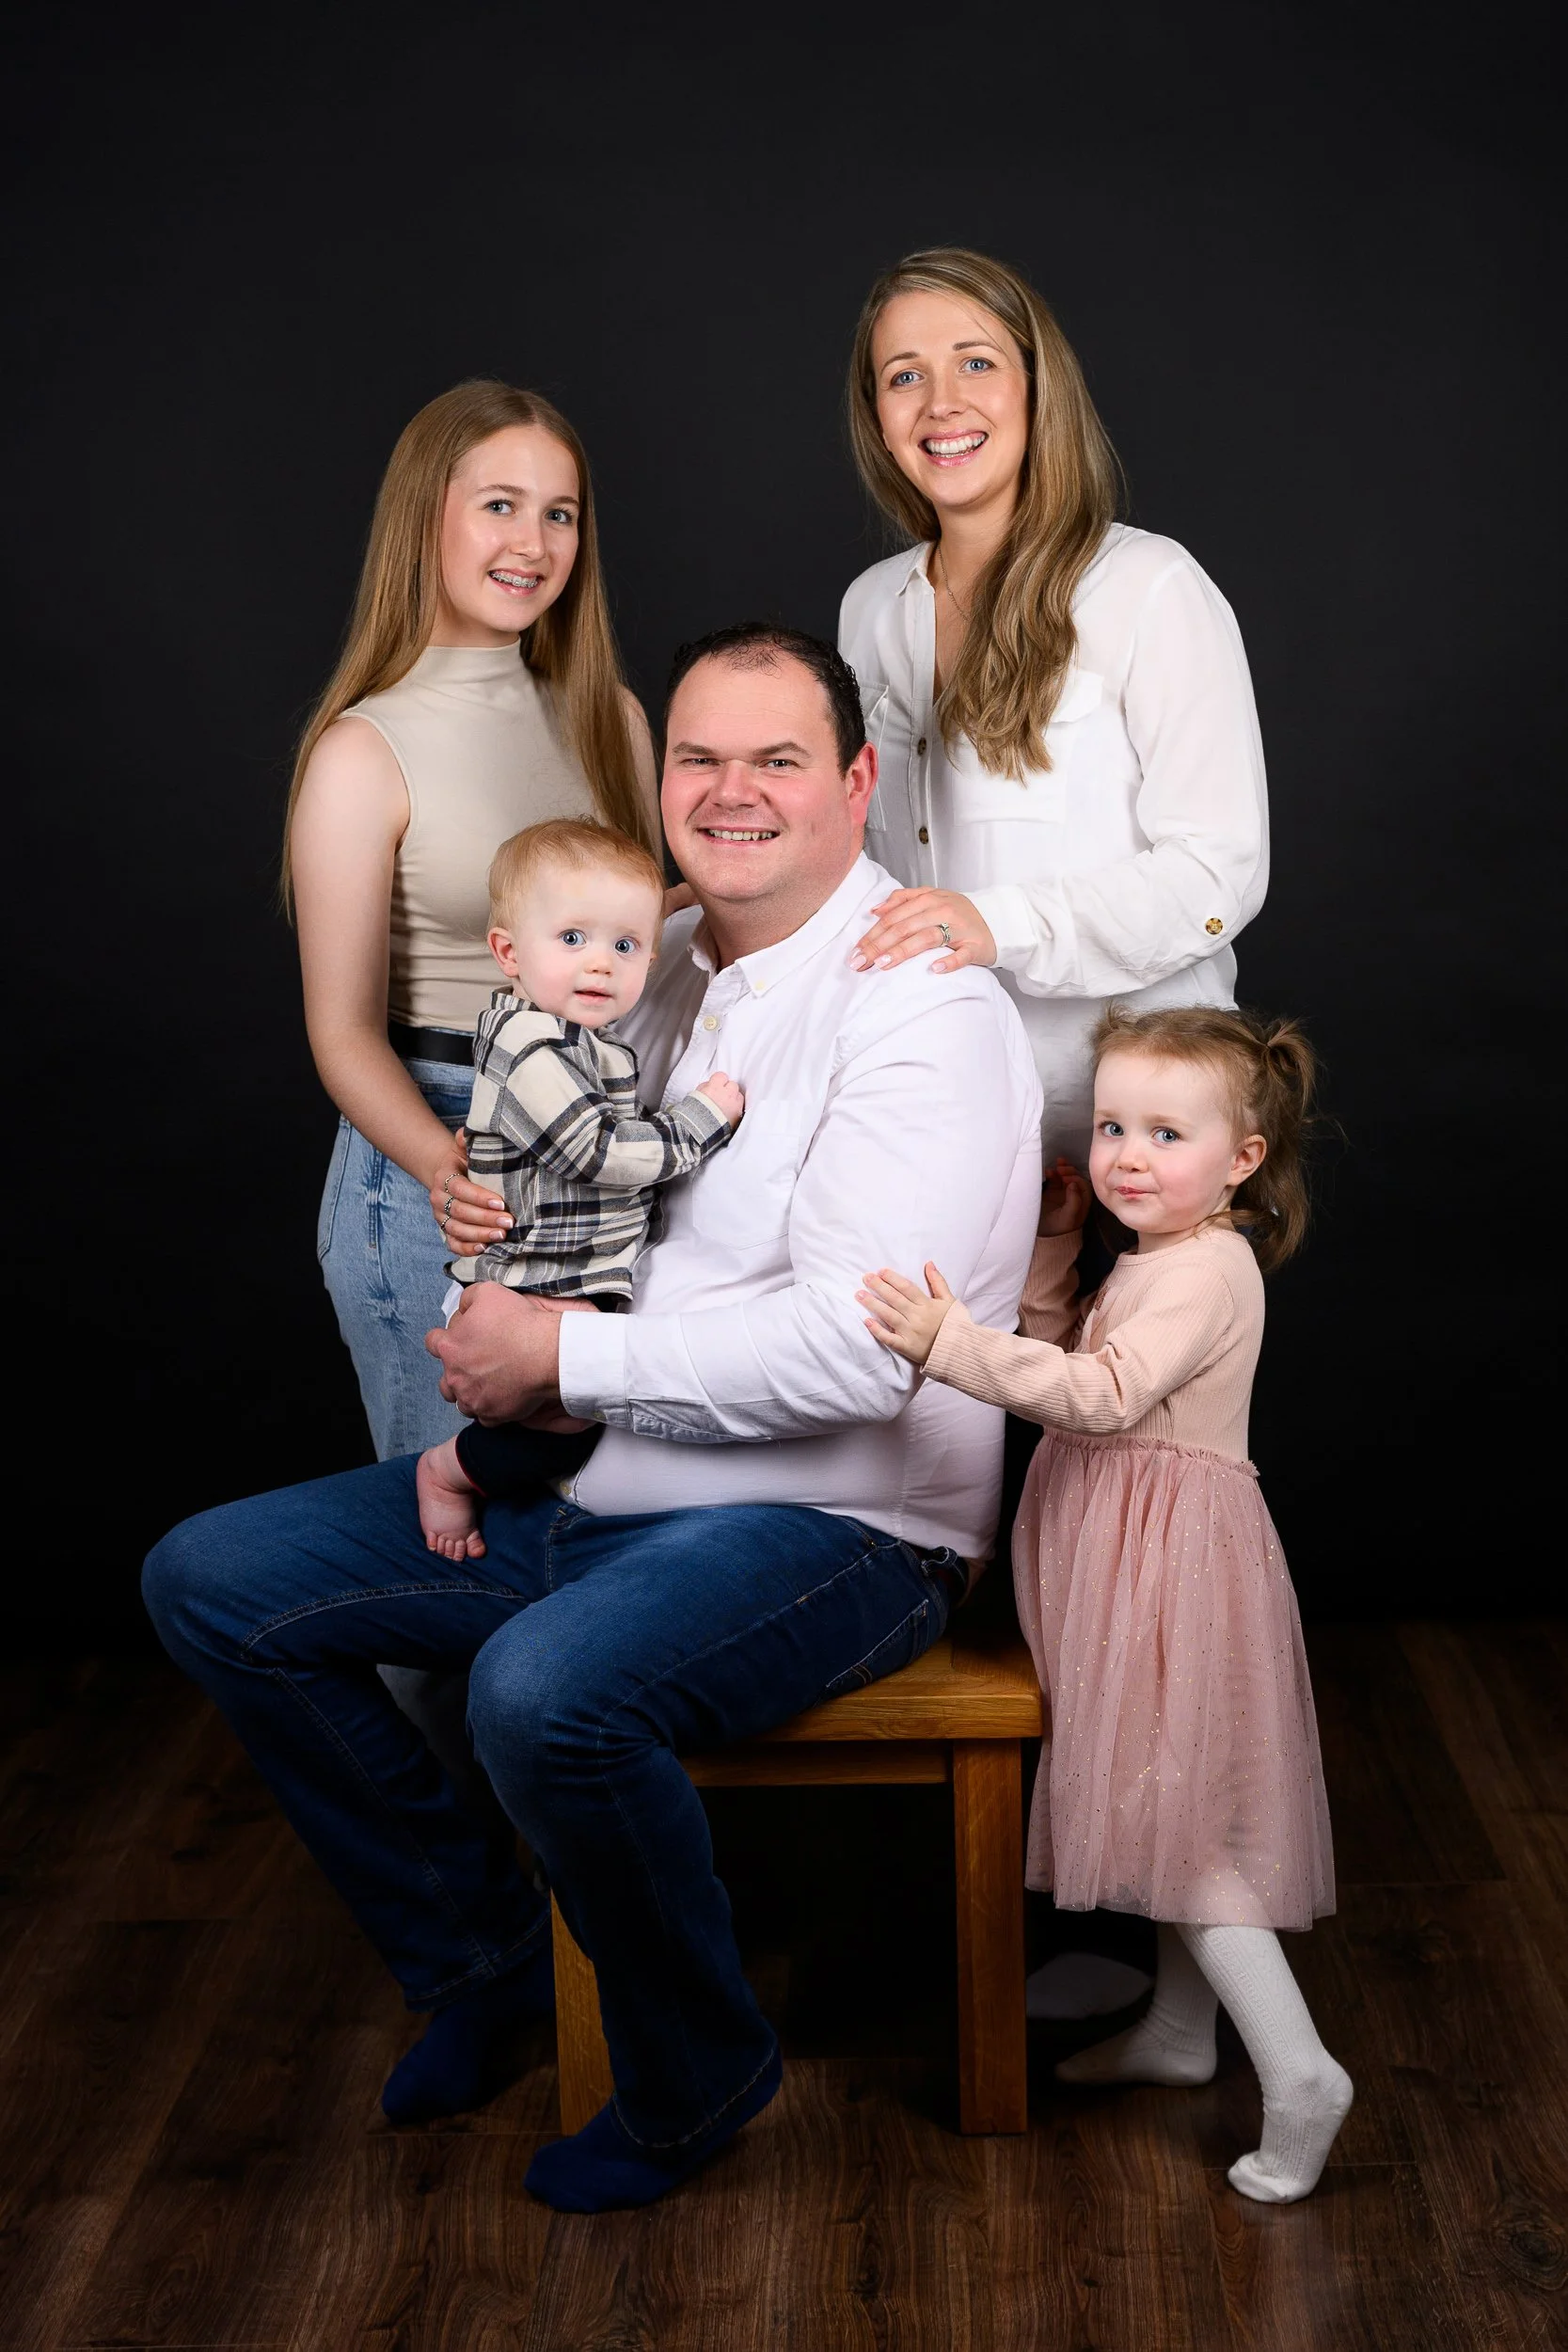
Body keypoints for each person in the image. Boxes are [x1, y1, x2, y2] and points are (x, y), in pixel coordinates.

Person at [143, 624, 1044, 2215]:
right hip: (601, 1477)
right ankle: (482, 1961)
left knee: (540, 1690)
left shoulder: (916, 1003)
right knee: (214, 1580)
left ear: (856, 784)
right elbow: (589, 1198)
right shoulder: (656, 955)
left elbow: (859, 1354)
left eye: (778, 759)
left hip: (844, 1524)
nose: (731, 790)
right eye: (697, 757)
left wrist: (558, 1358)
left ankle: (697, 2069)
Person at [838, 244, 1271, 2017]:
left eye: (973, 365)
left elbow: (1216, 870)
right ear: (870, 418)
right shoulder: (875, 609)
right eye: (897, 377)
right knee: (955, 1509)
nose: (940, 405)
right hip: (963, 1124)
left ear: (1039, 388)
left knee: (1142, 1556)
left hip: (1133, 1134)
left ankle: (1173, 1956)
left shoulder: (1148, 589)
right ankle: (972, 1921)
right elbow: (879, 869)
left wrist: (994, 932)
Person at [861, 1004, 1352, 2203]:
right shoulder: (1150, 1258)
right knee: (1158, 1804)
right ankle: (1181, 2036)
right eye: (1114, 1124)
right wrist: (1048, 1254)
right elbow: (1060, 1362)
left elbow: (1096, 1396)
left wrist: (947, 1343)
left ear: (1241, 1160)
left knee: (1183, 1830)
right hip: (1114, 1564)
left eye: (1165, 1132)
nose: (1128, 1152)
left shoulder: (1211, 1267)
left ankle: (1300, 2073)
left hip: (1171, 1572)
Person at [285, 378, 661, 1466]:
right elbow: (343, 1031)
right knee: (445, 1533)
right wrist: (450, 1168)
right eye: (499, 504)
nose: (533, 542)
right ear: (426, 516)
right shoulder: (364, 749)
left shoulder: (612, 720)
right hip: (439, 1156)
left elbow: (632, 933)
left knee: (568, 1516)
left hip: (593, 1138)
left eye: (560, 512)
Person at [416, 816, 743, 1561]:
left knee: (568, 1417)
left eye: (623, 946)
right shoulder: (531, 1044)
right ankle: (450, 1473)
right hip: (534, 1271)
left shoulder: (577, 1039)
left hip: (561, 1266)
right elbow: (597, 1153)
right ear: (509, 952)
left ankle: (499, 1489)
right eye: (572, 939)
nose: (599, 964)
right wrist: (700, 1120)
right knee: (568, 1419)